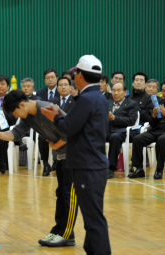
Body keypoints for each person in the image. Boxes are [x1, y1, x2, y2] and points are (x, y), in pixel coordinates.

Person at [41, 54, 111, 255]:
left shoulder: (86, 99)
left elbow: (69, 127)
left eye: (75, 73)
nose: (74, 77)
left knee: (94, 220)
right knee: (93, 218)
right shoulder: (98, 97)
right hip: (94, 164)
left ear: (80, 75)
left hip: (87, 166)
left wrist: (54, 117)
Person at [0, 90, 77, 247]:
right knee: (61, 194)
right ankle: (58, 231)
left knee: (69, 196)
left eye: (16, 112)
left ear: (22, 105)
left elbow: (72, 131)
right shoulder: (28, 116)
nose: (17, 116)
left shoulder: (48, 108)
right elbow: (15, 134)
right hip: (62, 156)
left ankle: (68, 235)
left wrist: (55, 144)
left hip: (76, 155)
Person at [128, 80, 165, 179]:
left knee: (162, 140)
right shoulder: (159, 102)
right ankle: (138, 169)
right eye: (163, 91)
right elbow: (152, 123)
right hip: (156, 130)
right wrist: (154, 116)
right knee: (137, 139)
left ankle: (159, 170)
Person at [107, 82, 138, 178]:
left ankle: (111, 168)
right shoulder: (108, 102)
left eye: (118, 91)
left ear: (125, 92)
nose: (115, 93)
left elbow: (131, 121)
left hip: (123, 131)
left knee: (115, 137)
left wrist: (115, 118)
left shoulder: (131, 104)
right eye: (114, 90)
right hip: (108, 130)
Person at [36, 69, 60, 176]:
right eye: (47, 78)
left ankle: (57, 162)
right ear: (45, 80)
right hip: (45, 124)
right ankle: (46, 164)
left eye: (52, 77)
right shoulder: (40, 92)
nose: (50, 80)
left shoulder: (62, 90)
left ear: (57, 78)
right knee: (41, 137)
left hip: (60, 124)